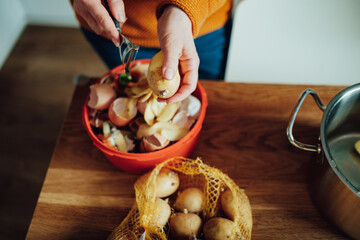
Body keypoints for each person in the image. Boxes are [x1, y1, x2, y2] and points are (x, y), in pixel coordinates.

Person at [70, 0, 233, 103]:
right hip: (110, 27)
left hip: (202, 27)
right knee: (131, 89)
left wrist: (187, 7)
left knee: (213, 96)